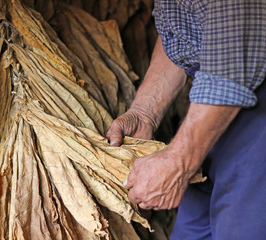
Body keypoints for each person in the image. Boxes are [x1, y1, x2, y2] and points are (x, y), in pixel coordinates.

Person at [106, 0, 266, 239]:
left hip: (249, 101)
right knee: (190, 232)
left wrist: (179, 162)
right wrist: (145, 112)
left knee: (240, 230)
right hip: (209, 105)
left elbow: (231, 63)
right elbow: (183, 30)